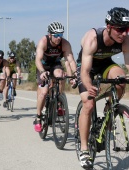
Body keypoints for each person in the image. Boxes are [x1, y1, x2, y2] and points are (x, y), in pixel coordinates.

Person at [76, 7, 129, 169]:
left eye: (127, 29)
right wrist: (89, 85)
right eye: (120, 29)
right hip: (86, 67)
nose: (124, 33)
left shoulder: (125, 40)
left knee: (120, 80)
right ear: (109, 27)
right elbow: (85, 71)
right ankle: (84, 150)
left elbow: (127, 65)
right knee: (89, 104)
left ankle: (110, 109)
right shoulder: (92, 38)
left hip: (105, 64)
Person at [34, 21, 77, 132]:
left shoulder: (65, 44)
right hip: (43, 66)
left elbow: (71, 60)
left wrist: (75, 74)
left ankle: (59, 100)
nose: (59, 38)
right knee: (43, 92)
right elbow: (37, 60)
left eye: (61, 35)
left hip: (55, 64)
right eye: (56, 35)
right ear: (50, 35)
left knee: (60, 75)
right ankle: (38, 117)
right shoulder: (43, 41)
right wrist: (42, 71)